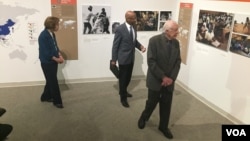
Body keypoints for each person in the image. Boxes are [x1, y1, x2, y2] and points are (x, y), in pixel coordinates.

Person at [138, 20, 181, 139]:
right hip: (156, 80)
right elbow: (151, 61)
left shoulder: (176, 43)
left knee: (166, 105)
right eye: (175, 30)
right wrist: (163, 77)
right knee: (151, 103)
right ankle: (144, 117)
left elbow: (178, 61)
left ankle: (163, 126)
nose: (178, 32)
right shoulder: (154, 41)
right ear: (167, 31)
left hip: (169, 82)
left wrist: (171, 78)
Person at [111, 11, 146, 108]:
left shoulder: (134, 27)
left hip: (131, 58)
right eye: (132, 18)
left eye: (135, 18)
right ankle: (123, 98)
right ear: (127, 18)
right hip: (123, 58)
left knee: (128, 77)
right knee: (123, 79)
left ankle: (124, 91)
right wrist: (114, 59)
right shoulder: (120, 29)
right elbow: (115, 46)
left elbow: (134, 41)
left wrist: (140, 46)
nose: (135, 20)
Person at [38, 16, 64, 109]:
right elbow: (46, 52)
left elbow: (55, 46)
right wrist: (57, 59)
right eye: (57, 24)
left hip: (53, 61)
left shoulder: (52, 34)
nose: (58, 26)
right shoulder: (43, 36)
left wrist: (60, 55)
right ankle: (57, 101)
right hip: (47, 62)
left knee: (50, 80)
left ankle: (45, 97)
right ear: (52, 25)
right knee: (53, 81)